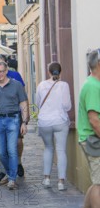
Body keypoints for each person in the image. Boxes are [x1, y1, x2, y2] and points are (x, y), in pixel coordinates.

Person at [0, 61, 29, 190]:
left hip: (13, 120)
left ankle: (12, 179)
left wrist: (24, 122)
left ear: (6, 71)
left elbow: (23, 103)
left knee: (12, 150)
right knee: (1, 152)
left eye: (1, 72)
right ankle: (10, 174)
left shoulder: (16, 85)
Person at [76, 50, 100, 208]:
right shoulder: (93, 86)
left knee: (97, 182)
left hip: (91, 138)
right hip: (94, 139)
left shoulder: (92, 83)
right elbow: (94, 120)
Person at [36, 62, 72, 191]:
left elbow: (37, 103)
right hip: (60, 121)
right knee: (61, 150)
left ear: (48, 72)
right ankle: (61, 182)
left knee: (48, 148)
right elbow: (67, 106)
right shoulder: (64, 85)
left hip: (44, 121)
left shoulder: (41, 85)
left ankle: (46, 179)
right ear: (60, 72)